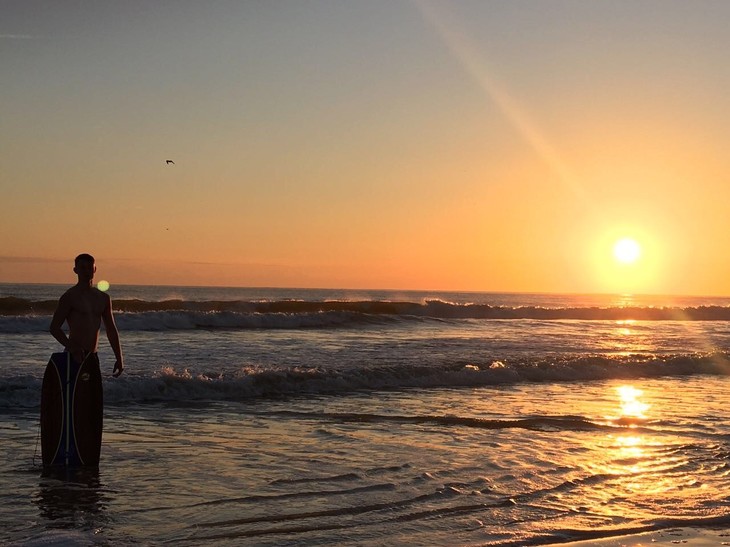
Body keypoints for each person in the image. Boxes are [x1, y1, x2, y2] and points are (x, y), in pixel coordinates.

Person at [50, 253, 124, 377]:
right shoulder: (69, 297)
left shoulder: (103, 298)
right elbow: (54, 328)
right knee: (75, 395)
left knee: (93, 396)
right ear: (75, 270)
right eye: (83, 268)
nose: (87, 271)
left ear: (95, 269)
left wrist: (119, 357)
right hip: (74, 356)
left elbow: (111, 330)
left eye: (90, 267)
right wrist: (72, 347)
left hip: (93, 357)